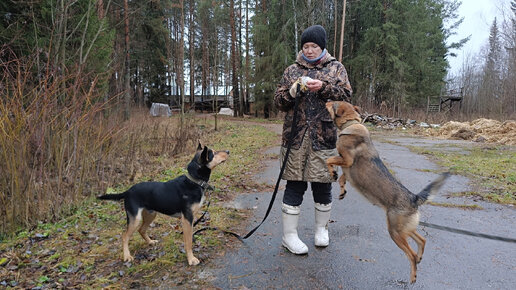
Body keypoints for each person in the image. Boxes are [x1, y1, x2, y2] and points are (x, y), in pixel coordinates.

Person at [273, 24, 352, 254]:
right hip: (295, 137)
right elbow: (278, 101)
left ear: (322, 46)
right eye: (305, 46)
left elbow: (346, 96)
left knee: (322, 184)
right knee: (294, 184)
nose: (308, 50)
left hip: (323, 136)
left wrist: (324, 88)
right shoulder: (292, 70)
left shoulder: (336, 68)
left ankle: (321, 230)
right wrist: (291, 93)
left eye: (313, 46)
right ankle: (289, 237)